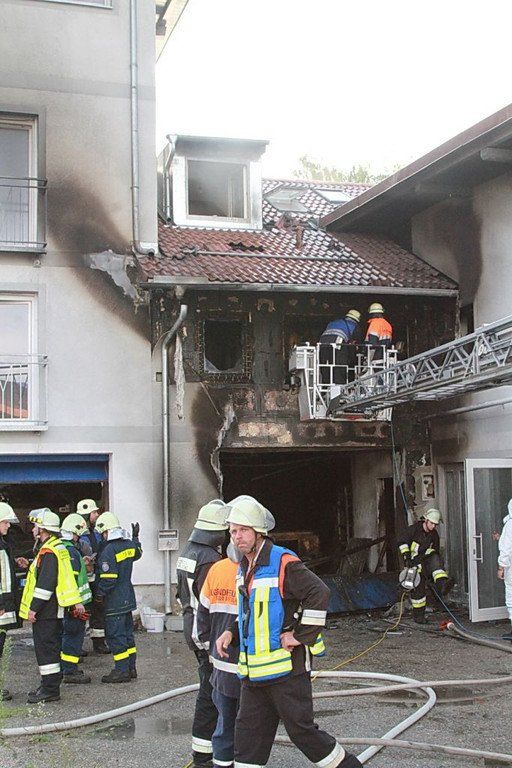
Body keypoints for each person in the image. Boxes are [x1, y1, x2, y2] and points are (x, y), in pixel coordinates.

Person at [216, 496, 362, 768]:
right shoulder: (245, 566)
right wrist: (231, 633)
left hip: (287, 670)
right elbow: (251, 611)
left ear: (258, 532)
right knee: (247, 740)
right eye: (233, 531)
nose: (237, 537)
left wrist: (299, 635)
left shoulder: (282, 562)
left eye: (243, 530)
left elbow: (320, 593)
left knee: (302, 732)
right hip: (254, 674)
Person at [176, 499, 231, 768]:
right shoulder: (210, 559)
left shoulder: (189, 552)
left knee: (209, 691)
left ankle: (206, 750)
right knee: (212, 694)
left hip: (192, 628)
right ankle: (204, 755)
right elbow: (213, 601)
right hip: (205, 633)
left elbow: (182, 595)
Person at [19, 508, 83, 703]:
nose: (33, 530)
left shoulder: (49, 552)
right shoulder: (55, 547)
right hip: (53, 609)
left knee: (46, 650)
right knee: (50, 648)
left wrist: (33, 608)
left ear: (43, 529)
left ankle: (50, 690)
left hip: (46, 611)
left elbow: (45, 585)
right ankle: (48, 685)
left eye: (35, 527)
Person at [197, 553, 240, 768]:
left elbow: (201, 617)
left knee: (224, 727)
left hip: (221, 664)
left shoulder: (217, 569)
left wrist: (210, 652)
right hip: (250, 667)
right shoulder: (260, 570)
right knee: (250, 729)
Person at [95, 511, 142, 683]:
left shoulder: (109, 550)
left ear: (107, 531)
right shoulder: (128, 544)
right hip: (127, 598)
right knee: (128, 635)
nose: (102, 536)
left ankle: (121, 670)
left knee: (116, 636)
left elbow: (109, 579)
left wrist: (99, 594)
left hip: (114, 601)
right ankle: (131, 668)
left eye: (103, 533)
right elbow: (138, 553)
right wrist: (136, 538)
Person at [398, 508, 451, 624]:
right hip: (413, 564)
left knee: (435, 558)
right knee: (418, 592)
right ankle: (419, 617)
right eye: (432, 523)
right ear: (426, 520)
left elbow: (435, 551)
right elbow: (402, 542)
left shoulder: (434, 535)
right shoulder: (414, 530)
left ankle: (442, 583)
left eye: (436, 524)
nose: (433, 526)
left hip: (426, 561)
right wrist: (407, 557)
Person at [60, 513, 93, 684]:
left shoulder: (65, 549)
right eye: (78, 535)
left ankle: (67, 668)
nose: (79, 538)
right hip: (76, 604)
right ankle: (70, 671)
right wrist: (76, 603)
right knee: (73, 636)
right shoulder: (71, 551)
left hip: (71, 603)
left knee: (69, 635)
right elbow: (71, 580)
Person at [0, 502, 26, 701]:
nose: (9, 526)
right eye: (5, 522)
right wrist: (3, 604)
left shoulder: (3, 544)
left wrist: (15, 562)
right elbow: (3, 579)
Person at [77, 498, 109, 654]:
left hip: (96, 577)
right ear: (86, 515)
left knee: (98, 610)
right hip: (83, 580)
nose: (97, 515)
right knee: (81, 612)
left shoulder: (95, 532)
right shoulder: (79, 535)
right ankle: (76, 646)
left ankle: (99, 642)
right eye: (94, 512)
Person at [319, 309, 361, 386]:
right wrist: (352, 359)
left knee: (325, 367)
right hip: (337, 343)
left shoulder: (333, 322)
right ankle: (339, 387)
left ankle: (325, 387)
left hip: (322, 344)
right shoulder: (353, 325)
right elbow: (354, 344)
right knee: (340, 365)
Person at [497, 498, 512, 641]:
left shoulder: (509, 525)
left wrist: (501, 567)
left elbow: (506, 549)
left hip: (511, 568)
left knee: (511, 597)